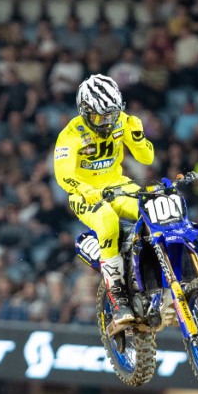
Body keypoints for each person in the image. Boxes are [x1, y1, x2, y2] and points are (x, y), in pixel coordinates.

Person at [53, 74, 155, 326]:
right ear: (85, 111)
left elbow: (147, 159)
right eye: (100, 117)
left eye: (111, 115)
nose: (107, 122)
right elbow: (63, 175)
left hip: (117, 184)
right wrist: (85, 189)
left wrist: (139, 137)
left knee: (152, 209)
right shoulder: (70, 135)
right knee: (108, 220)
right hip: (84, 193)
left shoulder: (122, 121)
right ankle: (118, 297)